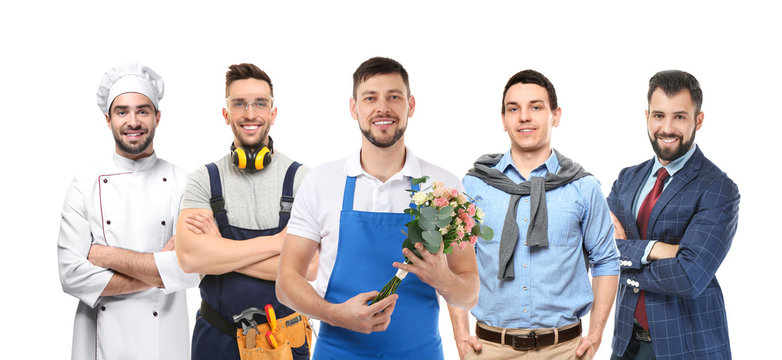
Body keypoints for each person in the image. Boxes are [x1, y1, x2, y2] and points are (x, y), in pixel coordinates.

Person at [276, 56, 479, 360]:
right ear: (353, 107)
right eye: (370, 98)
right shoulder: (321, 181)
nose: (382, 107)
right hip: (337, 353)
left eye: (393, 97)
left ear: (410, 105)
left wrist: (444, 280)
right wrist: (333, 314)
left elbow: (470, 292)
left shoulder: (443, 188)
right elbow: (286, 281)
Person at [448, 69, 620, 360]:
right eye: (513, 109)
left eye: (536, 107)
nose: (524, 117)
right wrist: (460, 334)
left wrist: (596, 334)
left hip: (565, 350)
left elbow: (606, 260)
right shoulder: (475, 186)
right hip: (489, 349)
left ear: (556, 115)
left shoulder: (583, 187)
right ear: (503, 119)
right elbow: (457, 260)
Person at [58, 63, 200, 359]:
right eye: (122, 112)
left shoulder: (185, 183)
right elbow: (72, 275)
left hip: (164, 343)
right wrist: (160, 272)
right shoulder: (84, 184)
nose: (133, 121)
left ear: (158, 117)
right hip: (100, 344)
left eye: (143, 111)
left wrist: (106, 256)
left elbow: (193, 269)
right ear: (108, 119)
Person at [175, 63, 312, 360]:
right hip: (216, 340)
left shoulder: (303, 180)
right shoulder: (203, 179)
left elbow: (313, 267)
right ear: (226, 114)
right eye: (239, 104)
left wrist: (219, 252)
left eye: (260, 104)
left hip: (284, 342)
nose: (250, 114)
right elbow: (189, 258)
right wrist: (279, 244)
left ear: (273, 114)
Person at [607, 70, 740, 360]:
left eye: (679, 116)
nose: (667, 128)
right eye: (658, 116)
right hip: (626, 343)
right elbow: (596, 247)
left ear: (698, 120)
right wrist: (657, 250)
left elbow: (688, 276)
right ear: (647, 116)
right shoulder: (627, 179)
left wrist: (624, 264)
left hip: (689, 348)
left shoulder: (718, 189)